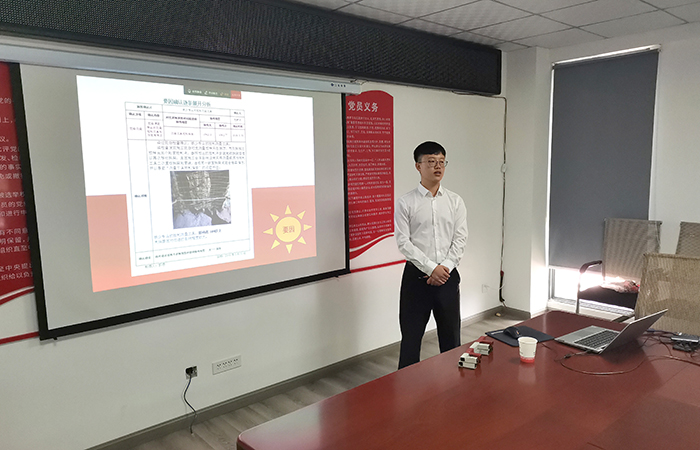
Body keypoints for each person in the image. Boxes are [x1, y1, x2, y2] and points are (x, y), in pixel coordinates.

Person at [394, 141, 468, 369]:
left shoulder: (455, 201)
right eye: (431, 161)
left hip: (447, 277)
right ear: (418, 166)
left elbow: (460, 239)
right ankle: (407, 386)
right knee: (411, 337)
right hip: (416, 279)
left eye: (441, 162)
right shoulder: (406, 202)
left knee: (451, 337)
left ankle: (454, 384)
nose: (438, 166)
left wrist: (444, 268)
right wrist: (431, 268)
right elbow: (403, 242)